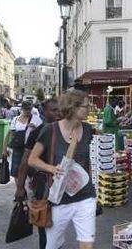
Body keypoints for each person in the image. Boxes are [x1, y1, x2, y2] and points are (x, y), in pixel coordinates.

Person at [29, 89, 97, 249]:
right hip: (59, 200)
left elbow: (88, 161)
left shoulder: (87, 130)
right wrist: (51, 168)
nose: (89, 110)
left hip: (85, 197)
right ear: (72, 108)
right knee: (53, 245)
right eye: (85, 107)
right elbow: (32, 159)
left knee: (87, 245)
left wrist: (94, 187)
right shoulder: (50, 130)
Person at [15, 99, 61, 249]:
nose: (58, 114)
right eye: (54, 110)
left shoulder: (64, 131)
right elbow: (25, 162)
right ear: (45, 112)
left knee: (59, 224)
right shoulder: (37, 133)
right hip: (43, 185)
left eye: (59, 110)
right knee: (44, 221)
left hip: (61, 184)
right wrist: (20, 188)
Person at [3, 101, 43, 185]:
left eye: (29, 109)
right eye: (26, 109)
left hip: (31, 149)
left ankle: (32, 188)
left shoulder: (36, 119)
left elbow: (43, 133)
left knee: (32, 170)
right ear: (22, 109)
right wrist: (4, 149)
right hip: (17, 148)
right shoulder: (16, 119)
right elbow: (9, 135)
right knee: (16, 171)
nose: (27, 111)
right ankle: (20, 190)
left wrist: (35, 128)